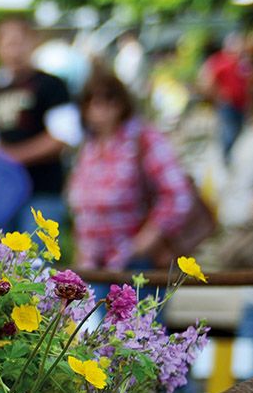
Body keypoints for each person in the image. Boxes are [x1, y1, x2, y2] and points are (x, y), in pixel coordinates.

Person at [68, 66, 193, 270]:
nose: (100, 108)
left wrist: (142, 243)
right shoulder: (88, 147)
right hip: (94, 264)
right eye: (91, 100)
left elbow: (177, 195)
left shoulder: (143, 140)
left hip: (136, 262)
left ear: (122, 103)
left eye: (109, 99)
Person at [0, 16, 83, 231]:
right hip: (2, 195)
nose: (14, 50)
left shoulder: (52, 85)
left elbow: (63, 137)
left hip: (43, 192)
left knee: (35, 250)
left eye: (19, 41)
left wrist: (13, 156)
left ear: (33, 41)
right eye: (7, 43)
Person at [200, 33, 253, 160]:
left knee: (240, 130)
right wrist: (218, 96)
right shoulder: (219, 61)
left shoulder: (241, 62)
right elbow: (208, 81)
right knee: (229, 131)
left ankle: (230, 156)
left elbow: (248, 80)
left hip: (241, 103)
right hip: (228, 104)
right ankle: (226, 156)